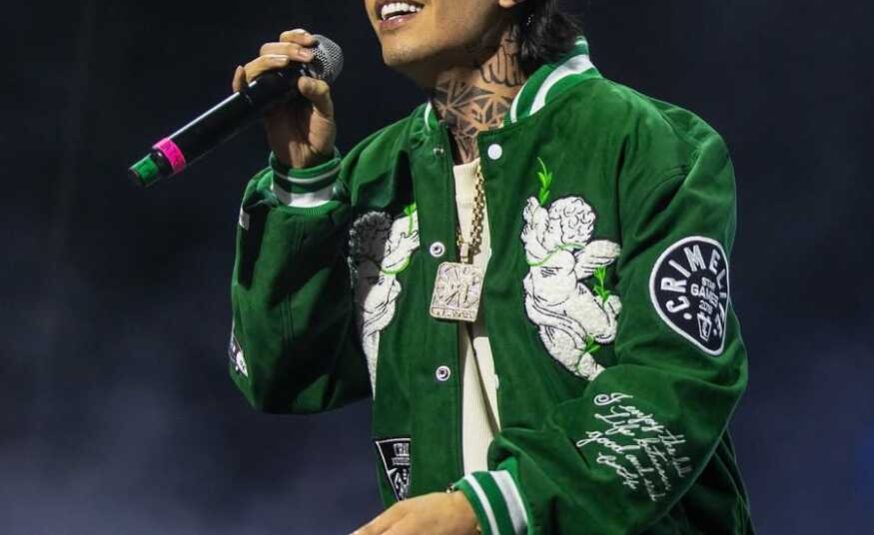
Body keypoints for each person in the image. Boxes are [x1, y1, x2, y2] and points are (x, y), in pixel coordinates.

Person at [227, 0, 755, 533]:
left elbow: (678, 385)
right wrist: (303, 183)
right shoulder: (376, 178)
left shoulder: (645, 143)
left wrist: (486, 511)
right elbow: (281, 375)